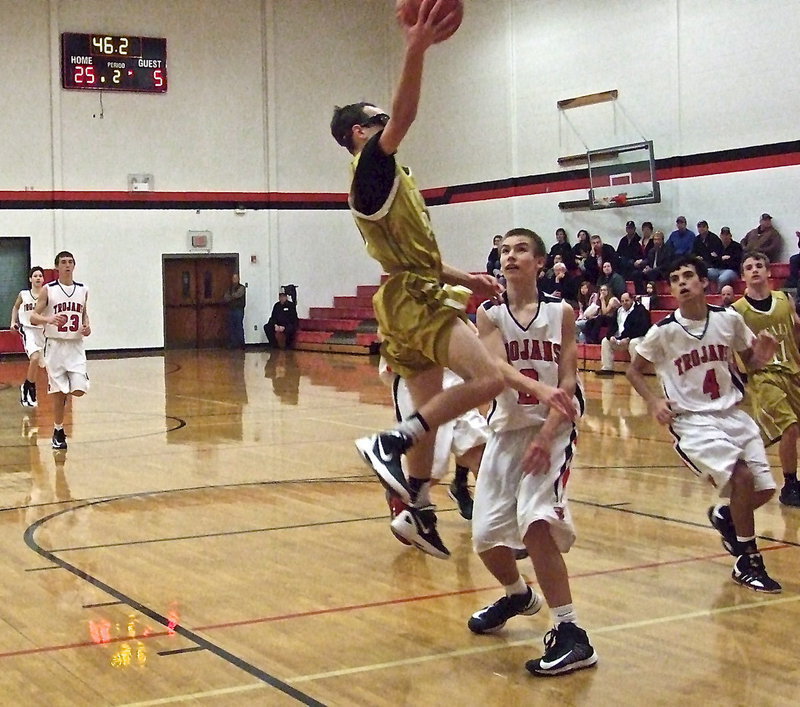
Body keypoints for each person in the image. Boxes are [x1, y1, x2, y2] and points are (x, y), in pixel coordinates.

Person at [330, 2, 575, 559]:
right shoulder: (371, 165)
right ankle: (389, 441)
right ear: (360, 131)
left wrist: (468, 278)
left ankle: (416, 503)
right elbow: (406, 114)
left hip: (404, 295)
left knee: (429, 413)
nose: (388, 124)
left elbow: (412, 255)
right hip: (416, 300)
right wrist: (415, 48)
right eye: (378, 118)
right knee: (489, 379)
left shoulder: (390, 180)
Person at [469, 227, 597, 677]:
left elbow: (567, 380)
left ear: (540, 261)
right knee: (485, 536)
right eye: (504, 249)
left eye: (521, 249)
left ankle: (571, 632)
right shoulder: (488, 314)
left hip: (552, 429)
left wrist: (547, 435)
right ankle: (517, 594)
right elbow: (497, 367)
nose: (510, 256)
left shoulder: (561, 312)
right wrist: (534, 387)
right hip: (506, 431)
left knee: (536, 521)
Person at [627, 255, 781, 593]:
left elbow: (750, 361)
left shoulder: (728, 319)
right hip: (692, 421)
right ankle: (747, 560)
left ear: (703, 283)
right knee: (742, 477)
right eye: (675, 279)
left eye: (687, 276)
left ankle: (727, 517)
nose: (681, 283)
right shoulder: (663, 331)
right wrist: (654, 401)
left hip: (733, 414)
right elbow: (633, 369)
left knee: (766, 489)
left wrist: (762, 355)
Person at [379, 357, 488, 530]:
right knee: (430, 472)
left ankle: (495, 530)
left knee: (482, 454)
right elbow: (384, 334)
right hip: (417, 379)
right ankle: (402, 495)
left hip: (454, 377)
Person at [733, 252, 800, 507]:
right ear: (743, 276)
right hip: (764, 376)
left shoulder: (785, 299)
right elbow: (737, 353)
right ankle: (790, 484)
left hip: (793, 371)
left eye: (759, 265)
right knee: (789, 427)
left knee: (791, 431)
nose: (755, 270)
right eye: (749, 267)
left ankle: (746, 453)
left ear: (769, 271)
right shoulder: (737, 311)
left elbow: (796, 334)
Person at [30, 252, 91, 451]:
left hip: (75, 345)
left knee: (79, 389)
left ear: (74, 266)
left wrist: (87, 327)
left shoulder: (83, 290)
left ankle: (71, 385)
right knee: (58, 392)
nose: (67, 265)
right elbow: (33, 316)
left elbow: (84, 315)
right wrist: (48, 320)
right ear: (56, 267)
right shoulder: (48, 289)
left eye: (70, 262)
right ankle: (58, 430)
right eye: (63, 262)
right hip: (55, 346)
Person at [10, 266, 47, 407]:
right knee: (35, 358)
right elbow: (15, 307)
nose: (38, 278)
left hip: (43, 332)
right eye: (35, 276)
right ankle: (30, 388)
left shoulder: (47, 295)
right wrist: (13, 321)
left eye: (40, 276)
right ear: (30, 279)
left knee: (45, 365)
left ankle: (26, 385)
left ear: (43, 279)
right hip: (28, 329)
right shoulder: (24, 294)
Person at [596, 292, 651, 376]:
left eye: (627, 300)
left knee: (634, 343)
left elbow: (643, 329)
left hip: (638, 338)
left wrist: (628, 338)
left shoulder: (641, 310)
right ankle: (607, 369)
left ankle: (636, 370)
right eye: (622, 301)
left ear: (632, 300)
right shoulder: (619, 310)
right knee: (605, 341)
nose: (624, 303)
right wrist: (611, 336)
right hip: (621, 339)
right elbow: (612, 326)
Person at [692, 221, 724, 289]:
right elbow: (693, 252)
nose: (701, 229)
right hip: (701, 263)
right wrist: (696, 257)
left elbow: (717, 254)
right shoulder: (696, 240)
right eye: (699, 227)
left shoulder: (714, 238)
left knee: (705, 271)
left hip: (714, 265)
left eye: (703, 227)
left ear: (707, 228)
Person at [222, 273, 247, 349]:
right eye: (233, 278)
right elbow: (225, 297)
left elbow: (238, 294)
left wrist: (231, 296)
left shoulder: (242, 287)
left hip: (239, 310)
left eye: (236, 278)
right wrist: (232, 296)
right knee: (232, 327)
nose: (234, 280)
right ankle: (233, 343)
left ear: (239, 279)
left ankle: (242, 344)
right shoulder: (230, 288)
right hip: (231, 309)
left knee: (239, 326)